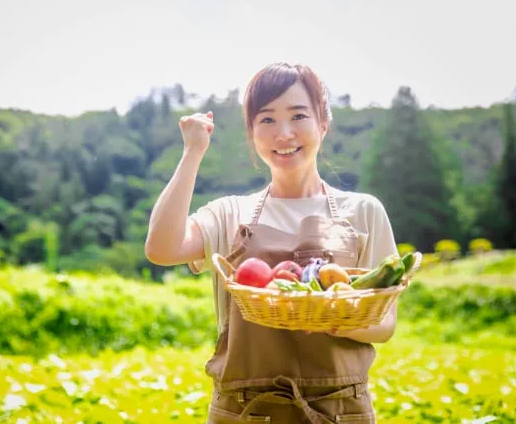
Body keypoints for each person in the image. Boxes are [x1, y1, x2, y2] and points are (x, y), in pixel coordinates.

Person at [145, 62, 399, 423]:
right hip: (243, 409)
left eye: (298, 116)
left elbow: (385, 324)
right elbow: (161, 248)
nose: (283, 133)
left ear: (323, 124)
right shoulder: (231, 214)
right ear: (251, 132)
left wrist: (326, 315)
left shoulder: (363, 211)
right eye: (266, 120)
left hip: (340, 409)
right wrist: (192, 152)